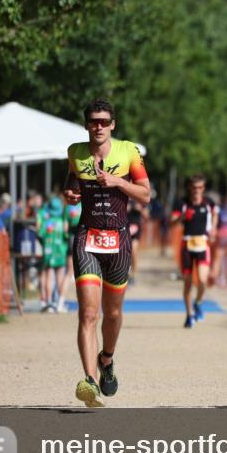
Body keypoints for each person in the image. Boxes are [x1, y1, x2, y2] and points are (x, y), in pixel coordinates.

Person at [63, 98, 151, 407]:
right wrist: (71, 193)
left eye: (104, 121)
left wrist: (116, 182)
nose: (98, 126)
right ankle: (88, 382)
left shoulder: (129, 152)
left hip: (119, 240)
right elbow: (72, 181)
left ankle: (107, 359)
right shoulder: (76, 152)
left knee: (112, 313)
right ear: (86, 124)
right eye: (93, 121)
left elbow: (145, 194)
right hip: (87, 237)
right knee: (88, 312)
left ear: (112, 124)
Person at [171, 174, 217, 328]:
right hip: (187, 245)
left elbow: (215, 215)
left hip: (203, 244)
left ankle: (198, 303)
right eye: (194, 187)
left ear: (203, 188)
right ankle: (189, 314)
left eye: (200, 187)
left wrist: (214, 230)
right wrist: (182, 217)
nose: (197, 190)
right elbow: (172, 222)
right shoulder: (182, 203)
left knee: (203, 280)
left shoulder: (209, 203)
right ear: (189, 188)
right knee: (188, 283)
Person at [37, 195, 69, 313]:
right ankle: (59, 303)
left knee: (48, 276)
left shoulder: (47, 222)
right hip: (61, 251)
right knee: (60, 276)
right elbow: (66, 236)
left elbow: (40, 234)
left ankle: (49, 302)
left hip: (48, 251)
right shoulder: (62, 222)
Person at [56, 196, 83, 313]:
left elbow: (65, 228)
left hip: (71, 240)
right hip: (83, 238)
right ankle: (85, 305)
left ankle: (60, 303)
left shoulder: (67, 209)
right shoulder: (85, 205)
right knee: (86, 274)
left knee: (69, 273)